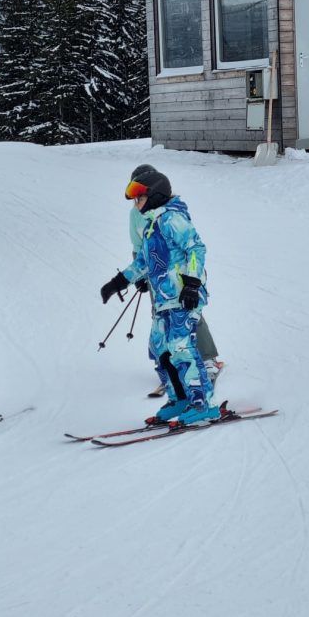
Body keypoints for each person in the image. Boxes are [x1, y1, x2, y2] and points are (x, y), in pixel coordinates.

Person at [101, 164, 221, 425]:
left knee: (181, 347)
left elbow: (195, 248)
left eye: (139, 198)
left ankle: (203, 404)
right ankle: (180, 398)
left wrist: (191, 284)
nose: (136, 205)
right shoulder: (151, 226)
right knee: (159, 348)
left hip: (182, 296)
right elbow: (143, 263)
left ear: (155, 195)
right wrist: (117, 283)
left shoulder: (171, 219)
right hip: (165, 301)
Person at [128, 166, 223, 396]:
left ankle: (207, 359)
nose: (137, 200)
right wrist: (139, 276)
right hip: (157, 277)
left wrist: (192, 281)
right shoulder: (135, 214)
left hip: (181, 275)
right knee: (160, 319)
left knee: (189, 315)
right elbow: (138, 246)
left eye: (141, 193)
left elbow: (192, 246)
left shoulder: (172, 212)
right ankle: (173, 370)